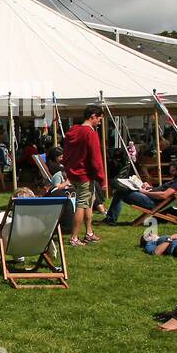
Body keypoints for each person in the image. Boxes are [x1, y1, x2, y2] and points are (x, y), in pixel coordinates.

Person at [62, 103, 106, 246]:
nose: (99, 121)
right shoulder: (90, 133)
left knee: (89, 202)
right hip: (84, 175)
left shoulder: (73, 130)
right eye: (99, 118)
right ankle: (74, 238)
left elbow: (66, 154)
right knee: (82, 204)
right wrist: (102, 178)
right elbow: (96, 158)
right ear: (93, 116)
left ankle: (89, 232)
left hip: (73, 173)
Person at [104, 161, 177, 225]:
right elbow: (162, 190)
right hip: (153, 199)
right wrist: (150, 188)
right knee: (124, 189)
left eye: (173, 171)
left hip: (155, 203)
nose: (171, 173)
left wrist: (145, 192)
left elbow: (164, 195)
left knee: (121, 192)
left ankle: (110, 220)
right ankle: (110, 219)